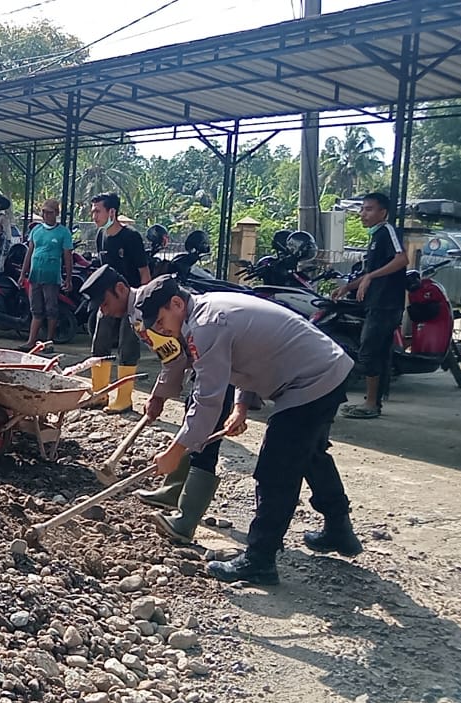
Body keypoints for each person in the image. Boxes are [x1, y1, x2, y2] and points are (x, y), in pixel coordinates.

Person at [137, 276, 362, 585]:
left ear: (176, 304)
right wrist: (241, 407)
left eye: (161, 321)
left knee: (277, 468)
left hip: (311, 379)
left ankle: (260, 559)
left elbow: (206, 401)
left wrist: (175, 453)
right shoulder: (208, 312)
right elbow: (250, 353)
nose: (160, 330)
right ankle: (339, 529)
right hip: (326, 369)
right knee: (310, 453)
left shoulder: (206, 325)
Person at [80, 265, 228, 543]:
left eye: (105, 302)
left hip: (219, 361)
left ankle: (186, 519)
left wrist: (159, 395)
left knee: (205, 434)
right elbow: (172, 356)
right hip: (205, 362)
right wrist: (159, 395)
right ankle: (173, 491)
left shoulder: (145, 310)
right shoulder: (138, 314)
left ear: (121, 290)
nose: (104, 311)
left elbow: (176, 359)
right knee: (192, 421)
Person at [334, 191, 407, 420]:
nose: (363, 214)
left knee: (368, 352)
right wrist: (348, 287)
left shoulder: (387, 231)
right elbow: (369, 273)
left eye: (369, 209)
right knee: (375, 352)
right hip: (377, 303)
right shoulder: (376, 237)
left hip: (386, 304)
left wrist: (370, 277)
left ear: (382, 212)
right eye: (362, 209)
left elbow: (402, 259)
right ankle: (372, 402)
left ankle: (371, 404)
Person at [88, 192, 150, 414]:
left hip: (131, 300)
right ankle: (99, 393)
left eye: (98, 211)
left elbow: (144, 273)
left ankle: (124, 398)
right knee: (99, 343)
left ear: (112, 212)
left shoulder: (131, 237)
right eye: (93, 210)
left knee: (128, 347)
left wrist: (141, 306)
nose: (93, 215)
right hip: (108, 300)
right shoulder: (100, 236)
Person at [19, 198, 74, 352]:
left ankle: (49, 342)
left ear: (56, 213)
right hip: (35, 276)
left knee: (51, 309)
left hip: (52, 277)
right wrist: (23, 274)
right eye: (44, 212)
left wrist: (68, 279)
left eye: (49, 212)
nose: (46, 215)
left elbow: (68, 257)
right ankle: (31, 341)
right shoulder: (36, 231)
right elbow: (29, 253)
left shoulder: (63, 232)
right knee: (36, 310)